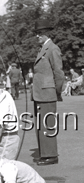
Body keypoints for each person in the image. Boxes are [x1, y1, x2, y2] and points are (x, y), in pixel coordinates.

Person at [32, 19, 65, 165]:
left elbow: (59, 73)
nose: (37, 36)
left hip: (47, 94)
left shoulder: (53, 49)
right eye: (36, 34)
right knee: (41, 125)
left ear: (46, 33)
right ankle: (45, 153)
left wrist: (56, 91)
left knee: (47, 124)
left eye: (39, 34)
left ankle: (51, 155)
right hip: (40, 93)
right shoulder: (43, 49)